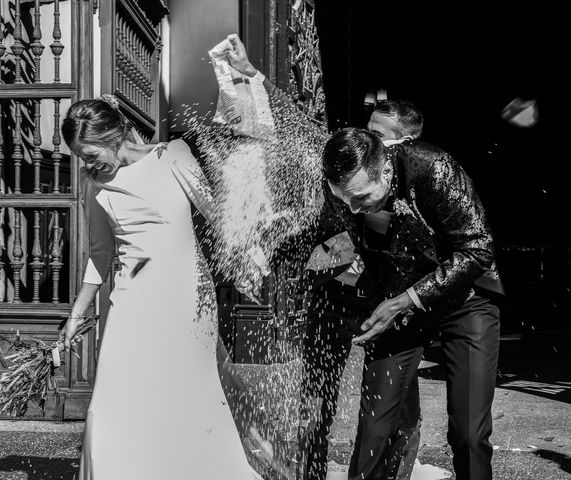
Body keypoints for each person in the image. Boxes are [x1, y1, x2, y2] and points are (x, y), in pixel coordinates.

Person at [227, 34, 504, 480]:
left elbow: (477, 247)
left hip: (464, 299)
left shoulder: (433, 167)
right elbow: (303, 128)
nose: (352, 210)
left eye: (362, 198)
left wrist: (405, 300)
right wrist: (265, 258)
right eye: (345, 200)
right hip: (390, 300)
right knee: (374, 425)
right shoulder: (347, 171)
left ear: (387, 157)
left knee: (468, 433)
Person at [60, 96, 266, 480]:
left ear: (113, 134)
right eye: (79, 158)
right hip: (131, 298)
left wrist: (245, 264)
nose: (86, 165)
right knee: (112, 398)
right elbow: (100, 253)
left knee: (184, 393)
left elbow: (217, 214)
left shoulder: (173, 156)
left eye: (89, 154)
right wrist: (76, 314)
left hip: (187, 296)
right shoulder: (96, 186)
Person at [299, 99, 425, 480]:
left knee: (395, 404)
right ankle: (311, 472)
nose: (369, 137)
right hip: (332, 296)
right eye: (367, 128)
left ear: (406, 141)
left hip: (383, 306)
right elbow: (299, 124)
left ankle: (392, 473)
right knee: (315, 396)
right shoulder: (347, 161)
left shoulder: (415, 182)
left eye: (379, 133)